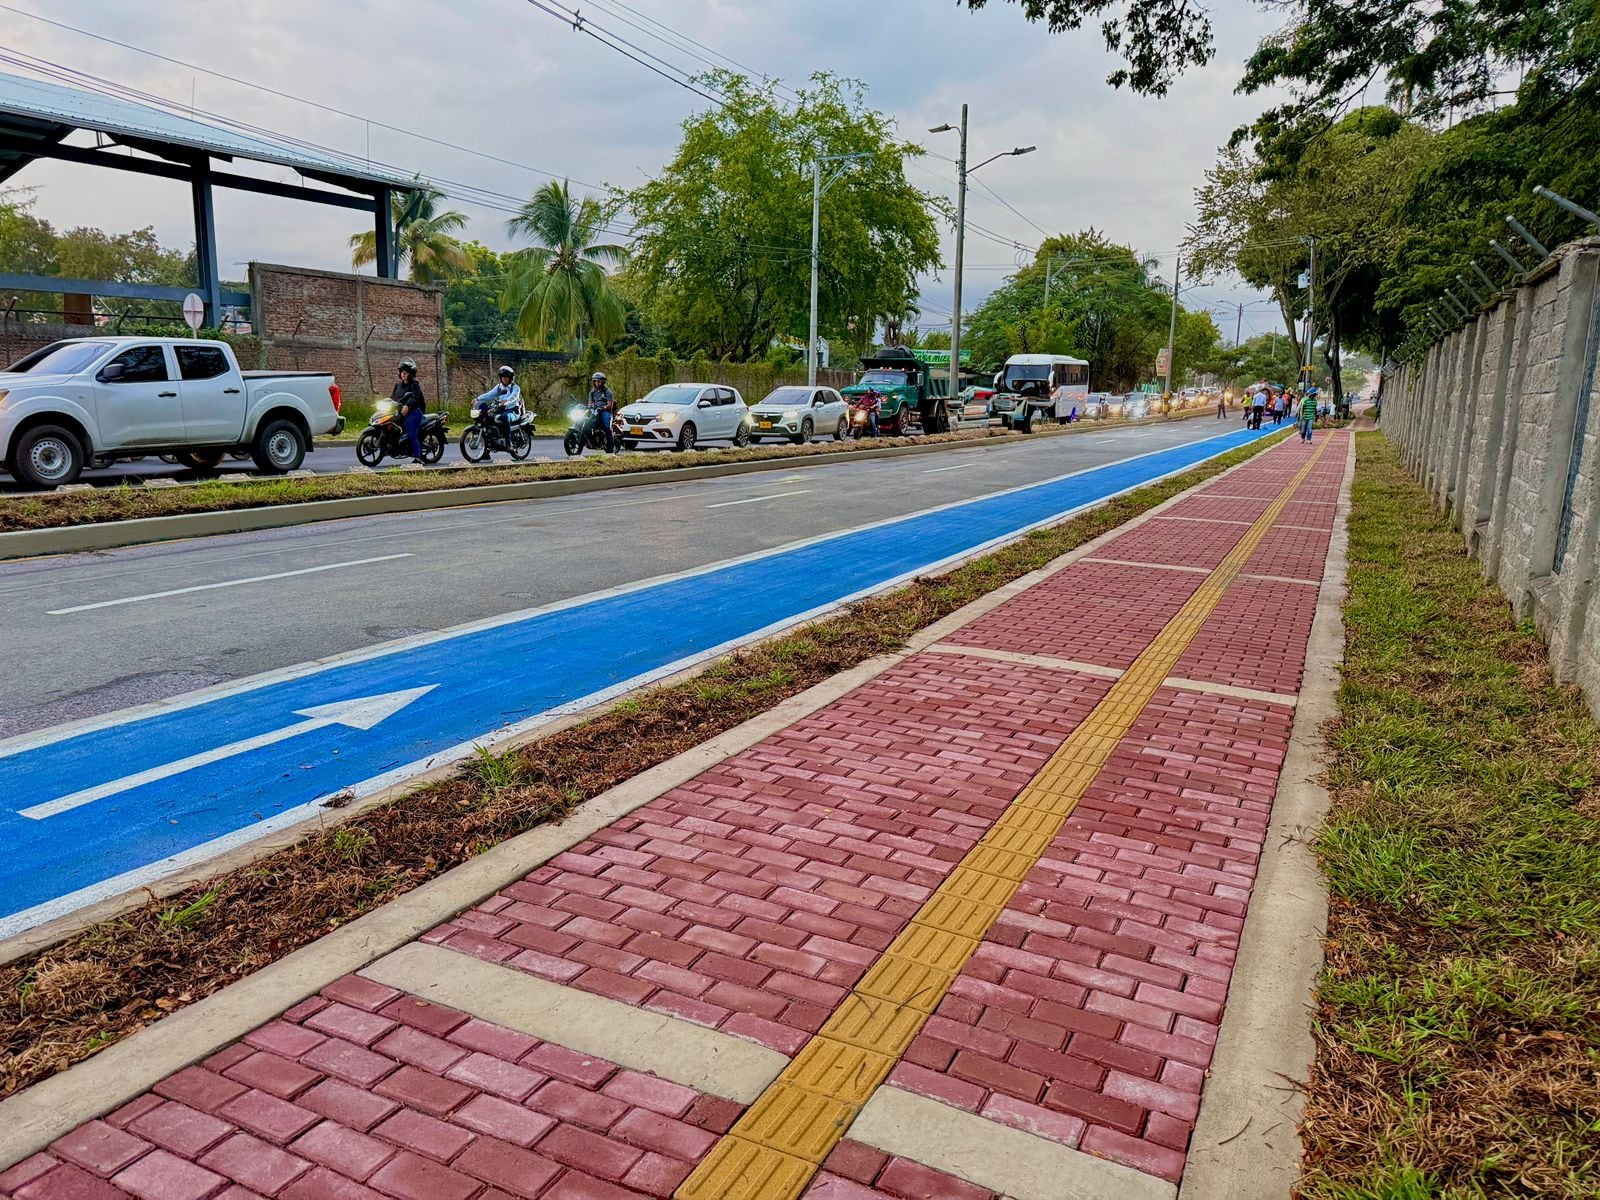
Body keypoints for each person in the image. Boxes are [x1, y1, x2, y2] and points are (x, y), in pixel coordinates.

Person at [477, 365, 523, 448]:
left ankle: (509, 443)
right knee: (487, 417)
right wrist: (478, 399)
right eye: (502, 377)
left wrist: (506, 402)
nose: (504, 379)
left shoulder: (515, 388)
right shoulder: (499, 387)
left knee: (505, 417)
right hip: (500, 409)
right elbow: (489, 395)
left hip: (513, 411)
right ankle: (488, 446)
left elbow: (514, 397)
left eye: (506, 377)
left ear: (511, 378)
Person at [392, 358, 426, 463]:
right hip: (401, 413)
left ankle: (417, 457)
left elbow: (415, 397)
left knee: (411, 434)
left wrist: (408, 405)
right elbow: (393, 397)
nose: (403, 374)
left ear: (411, 374)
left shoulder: (415, 385)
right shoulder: (398, 386)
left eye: (406, 372)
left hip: (414, 412)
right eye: (402, 372)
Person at [586, 371, 616, 453]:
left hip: (604, 411)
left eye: (599, 381)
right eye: (595, 381)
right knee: (585, 422)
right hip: (595, 410)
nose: (597, 383)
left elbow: (610, 405)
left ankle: (610, 448)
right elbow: (590, 403)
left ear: (603, 382)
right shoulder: (592, 392)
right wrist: (589, 407)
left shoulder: (608, 392)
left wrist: (603, 408)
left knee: (606, 427)